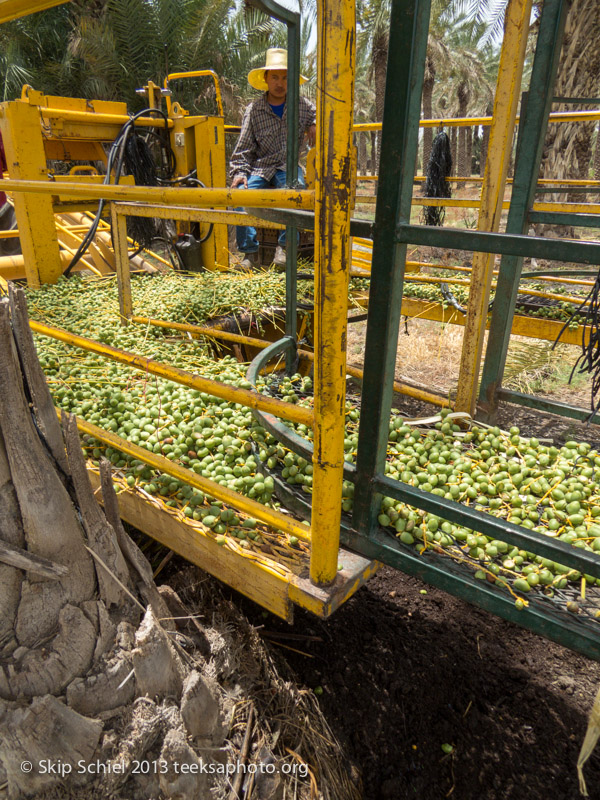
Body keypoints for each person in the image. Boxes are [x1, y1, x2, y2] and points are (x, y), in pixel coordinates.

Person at [230, 48, 316, 270]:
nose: (280, 83)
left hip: (288, 166)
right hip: (260, 168)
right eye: (275, 77)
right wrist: (240, 173)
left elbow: (319, 114)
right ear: (266, 79)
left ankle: (285, 249)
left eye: (286, 77)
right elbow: (243, 148)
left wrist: (314, 124)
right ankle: (250, 254)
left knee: (295, 191)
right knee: (240, 196)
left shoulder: (302, 106)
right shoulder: (255, 110)